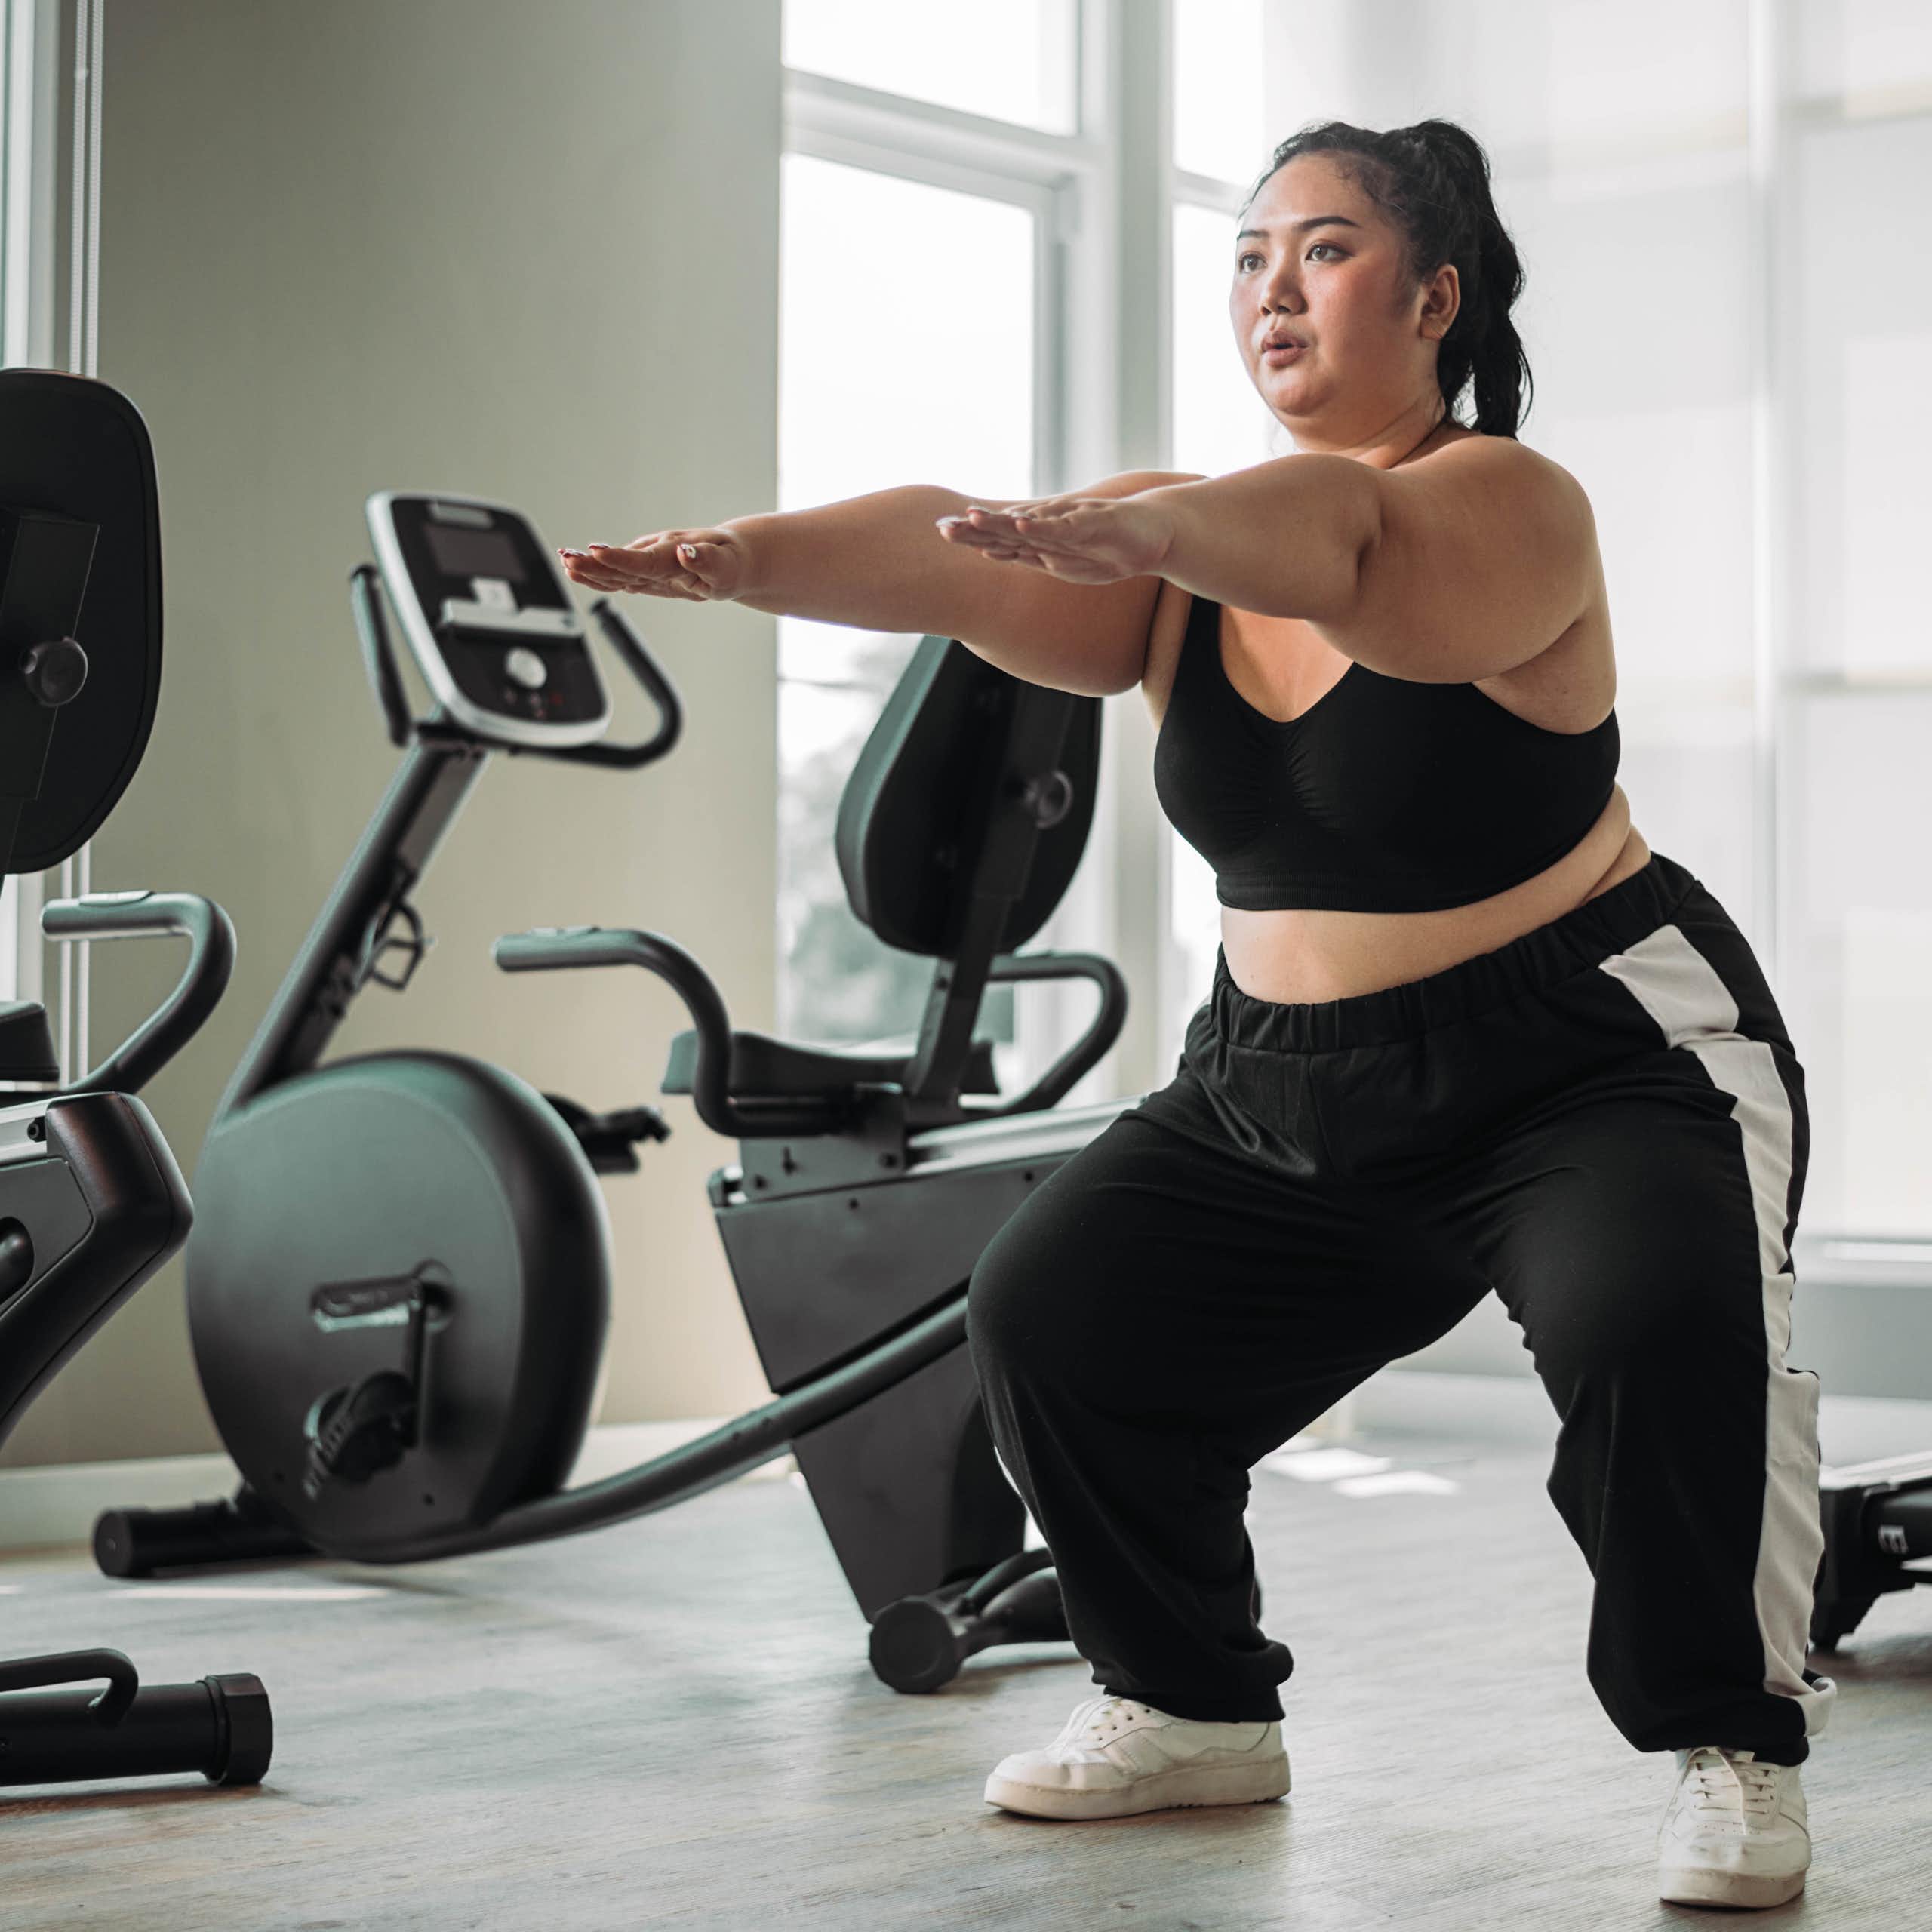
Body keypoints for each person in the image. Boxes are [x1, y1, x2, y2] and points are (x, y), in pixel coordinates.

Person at [559, 116, 1833, 1915]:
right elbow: (937, 555)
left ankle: (1733, 1737)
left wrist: (1138, 520)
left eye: (1317, 248)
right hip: (1282, 1082)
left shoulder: (1499, 505)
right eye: (1244, 255)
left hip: (1589, 1062)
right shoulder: (1174, 564)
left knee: (1654, 1329)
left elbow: (1346, 543)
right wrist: (735, 558)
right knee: (1053, 1309)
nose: (1268, 286)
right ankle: (1188, 1700)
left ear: (1433, 294)